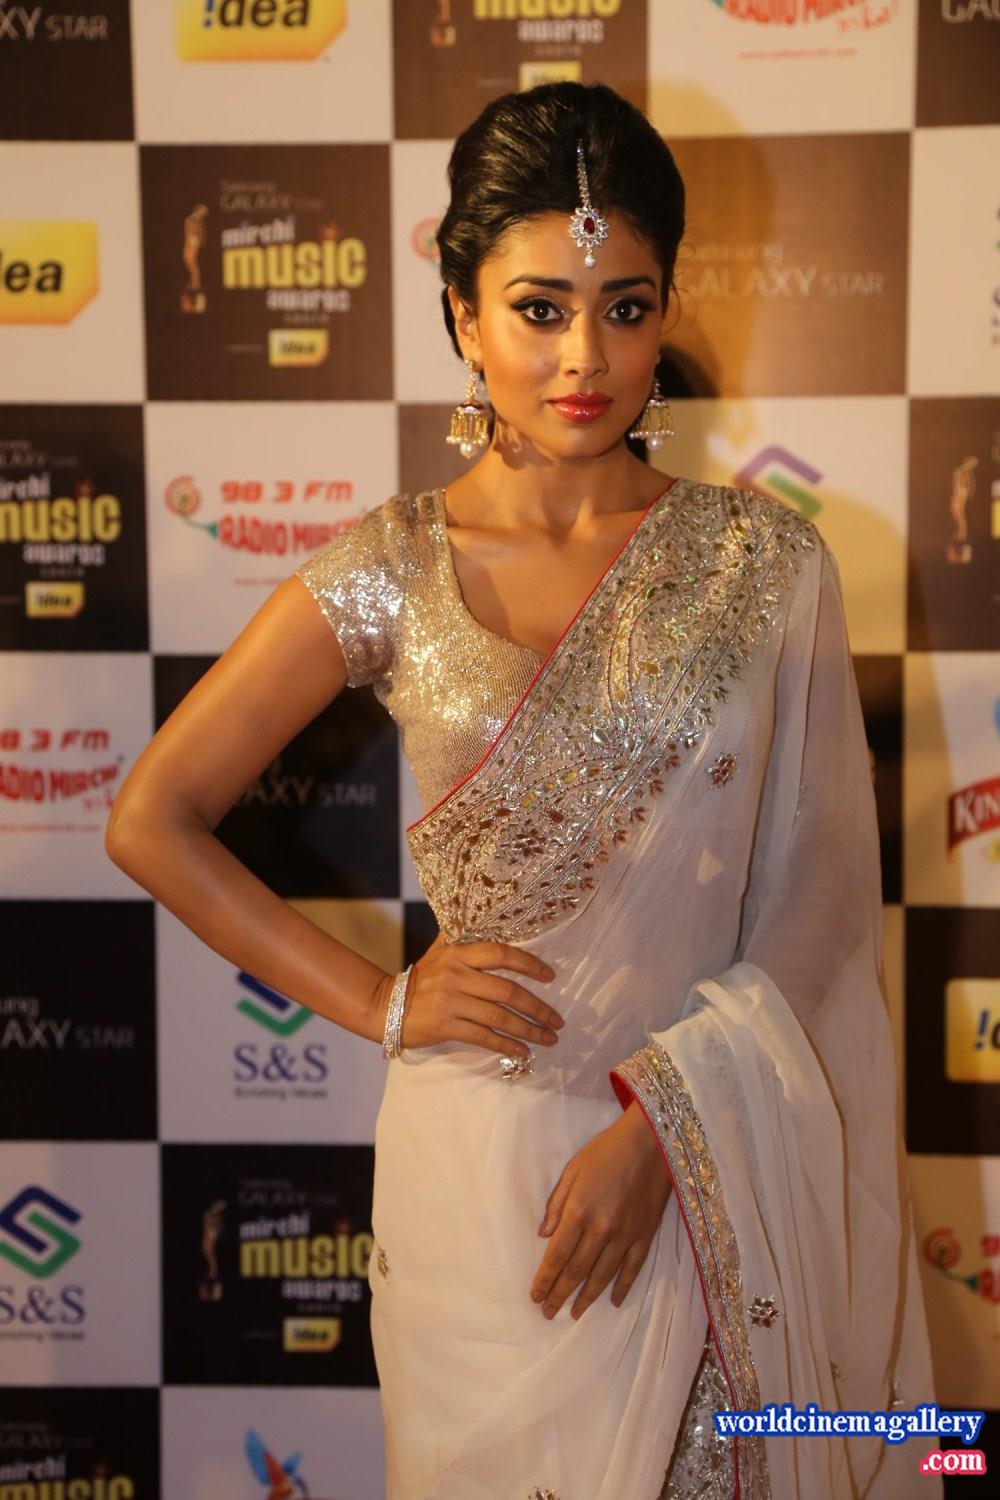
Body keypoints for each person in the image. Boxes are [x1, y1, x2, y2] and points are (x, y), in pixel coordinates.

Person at [106, 81, 940, 1500]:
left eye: (626, 307)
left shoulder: (766, 564)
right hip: (481, 1184)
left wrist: (669, 1131)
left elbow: (821, 898)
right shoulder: (392, 568)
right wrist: (381, 1001)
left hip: (699, 1159)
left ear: (665, 313)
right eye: (539, 308)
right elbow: (151, 819)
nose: (584, 357)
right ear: (461, 314)